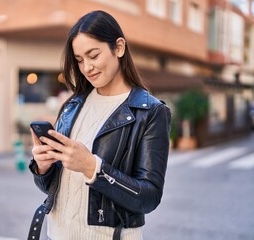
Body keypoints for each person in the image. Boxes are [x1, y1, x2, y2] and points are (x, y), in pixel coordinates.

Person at [28, 10, 172, 240]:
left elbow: (149, 197)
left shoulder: (151, 112)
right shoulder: (73, 105)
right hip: (56, 234)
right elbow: (55, 188)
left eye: (93, 55)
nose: (86, 68)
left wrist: (93, 168)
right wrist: (43, 167)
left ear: (119, 47)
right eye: (79, 60)